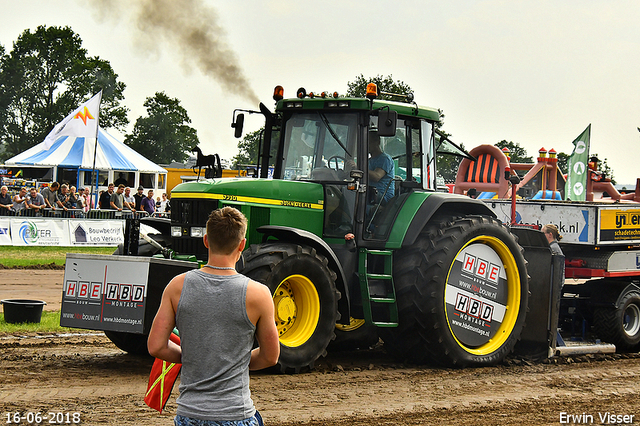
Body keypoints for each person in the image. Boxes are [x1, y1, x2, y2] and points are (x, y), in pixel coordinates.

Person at [147, 207, 279, 425]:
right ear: (242, 244)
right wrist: (233, 364)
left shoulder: (177, 287)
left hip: (190, 414)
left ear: (206, 240)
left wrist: (195, 358)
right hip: (236, 413)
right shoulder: (259, 294)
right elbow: (270, 356)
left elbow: (156, 346)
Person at [367, 132, 395, 203]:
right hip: (370, 193)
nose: (366, 145)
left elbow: (377, 176)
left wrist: (359, 168)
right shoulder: (368, 161)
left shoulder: (384, 159)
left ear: (377, 142)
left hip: (382, 196)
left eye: (369, 142)